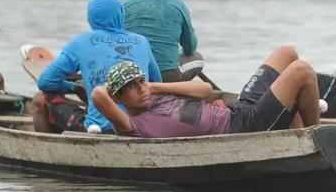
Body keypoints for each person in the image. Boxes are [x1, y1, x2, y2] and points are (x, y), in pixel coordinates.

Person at [89, 46, 322, 138]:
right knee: (301, 70)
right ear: (118, 97)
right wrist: (117, 85)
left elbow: (206, 90)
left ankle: (299, 131)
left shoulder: (155, 93)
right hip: (244, 131)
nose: (141, 89)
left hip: (239, 112)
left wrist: (154, 86)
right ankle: (316, 138)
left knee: (286, 53)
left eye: (141, 82)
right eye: (132, 87)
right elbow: (99, 95)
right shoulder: (131, 125)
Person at [32, 0, 163, 133]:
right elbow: (157, 83)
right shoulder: (142, 41)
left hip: (100, 129)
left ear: (90, 18)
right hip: (138, 126)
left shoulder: (81, 42)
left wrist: (75, 88)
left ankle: (47, 148)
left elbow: (45, 82)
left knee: (41, 99)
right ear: (121, 14)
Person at [121, 0, 199, 82]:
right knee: (197, 58)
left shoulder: (124, 3)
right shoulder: (178, 5)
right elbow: (190, 47)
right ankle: (178, 89)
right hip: (167, 78)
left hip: (130, 76)